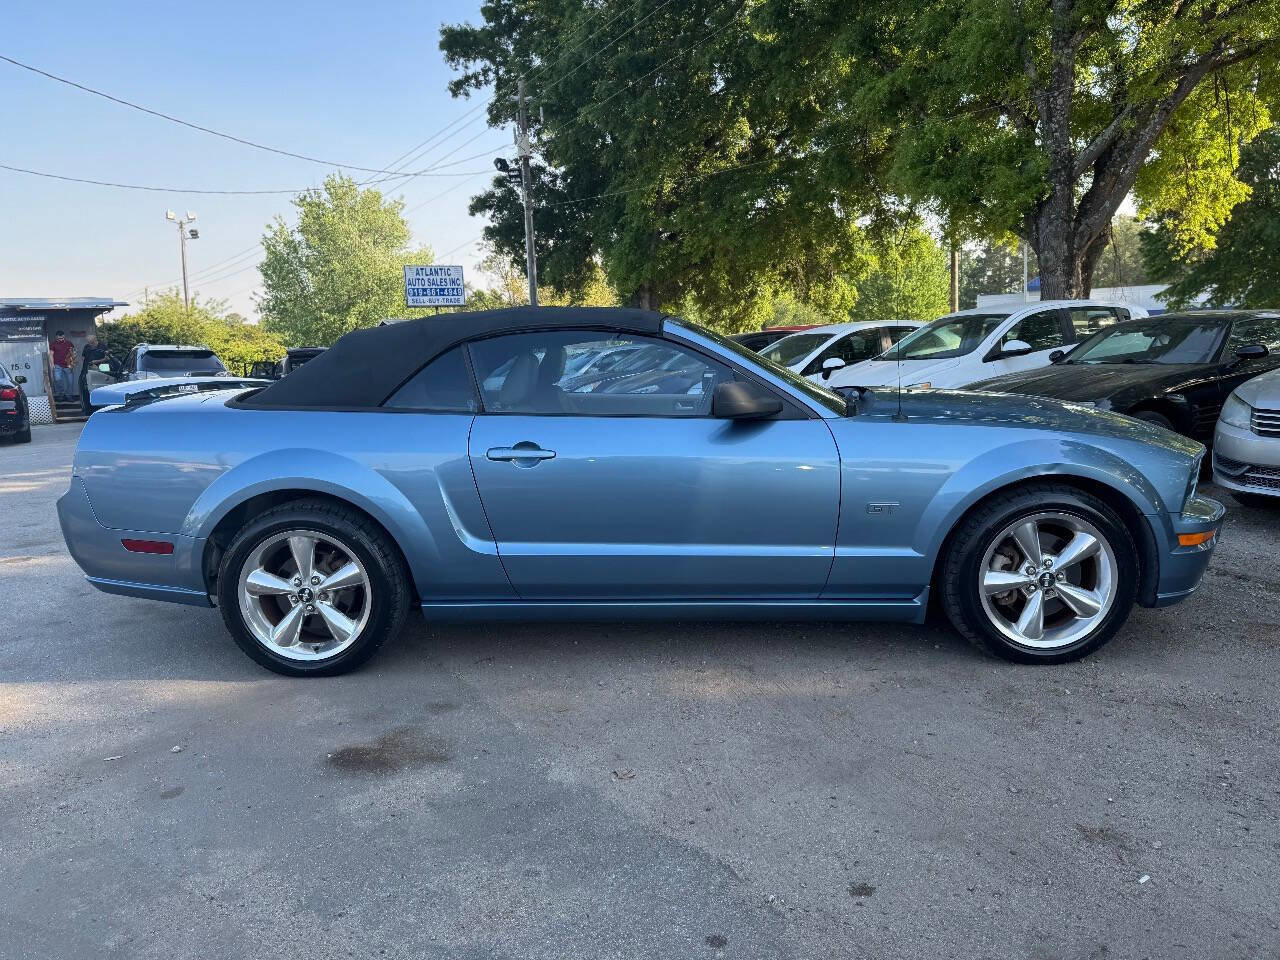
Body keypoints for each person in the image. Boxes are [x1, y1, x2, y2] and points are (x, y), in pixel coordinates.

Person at [79, 335, 108, 414]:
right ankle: (86, 409)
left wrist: (95, 362)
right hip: (86, 370)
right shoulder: (87, 347)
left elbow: (107, 358)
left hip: (100, 370)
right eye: (88, 343)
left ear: (95, 340)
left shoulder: (102, 346)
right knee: (85, 389)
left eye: (91, 343)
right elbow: (83, 357)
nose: (90, 344)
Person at [49, 331, 76, 398]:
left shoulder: (69, 343)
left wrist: (73, 363)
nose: (61, 340)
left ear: (64, 336)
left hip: (68, 365)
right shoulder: (53, 344)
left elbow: (73, 353)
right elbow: (51, 354)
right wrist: (52, 364)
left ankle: (69, 395)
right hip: (57, 365)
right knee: (57, 380)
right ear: (56, 337)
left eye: (62, 338)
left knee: (70, 382)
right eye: (59, 338)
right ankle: (61, 394)